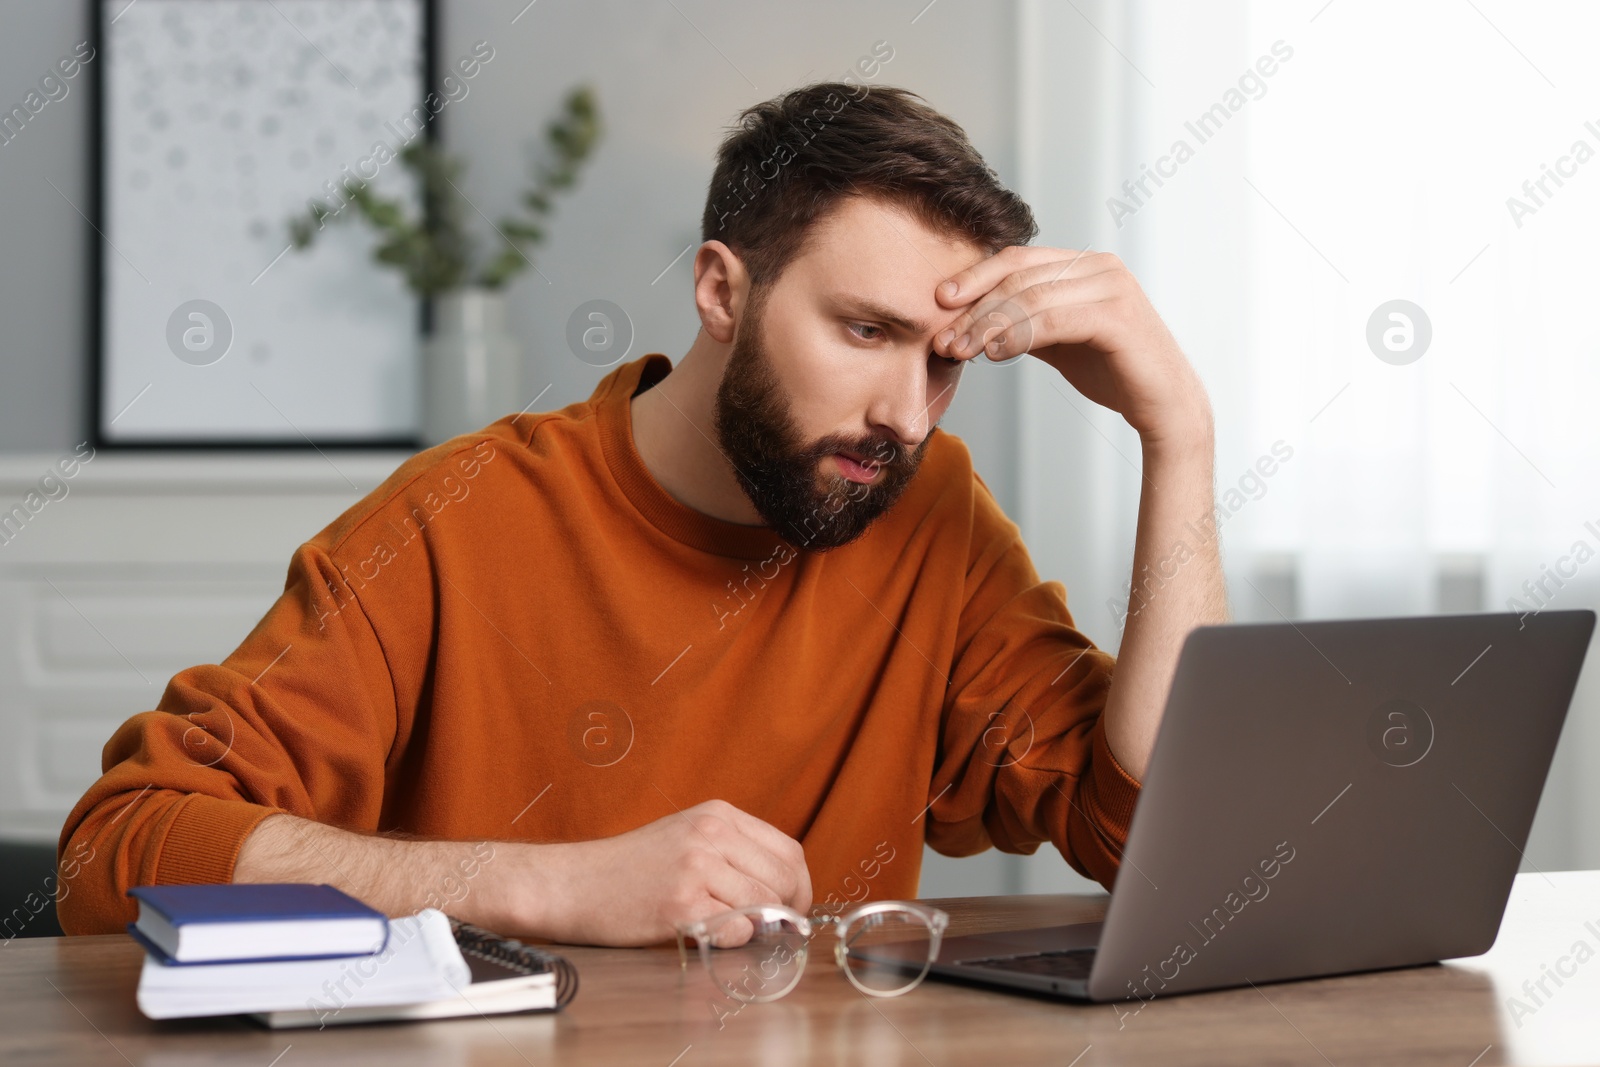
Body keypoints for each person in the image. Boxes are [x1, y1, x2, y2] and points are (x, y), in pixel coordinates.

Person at [57, 82, 1226, 945]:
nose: (906, 415)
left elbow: (1148, 835)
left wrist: (1177, 435)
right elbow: (122, 849)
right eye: (864, 331)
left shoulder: (929, 517)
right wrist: (548, 884)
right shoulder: (457, 520)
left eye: (943, 357)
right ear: (723, 289)